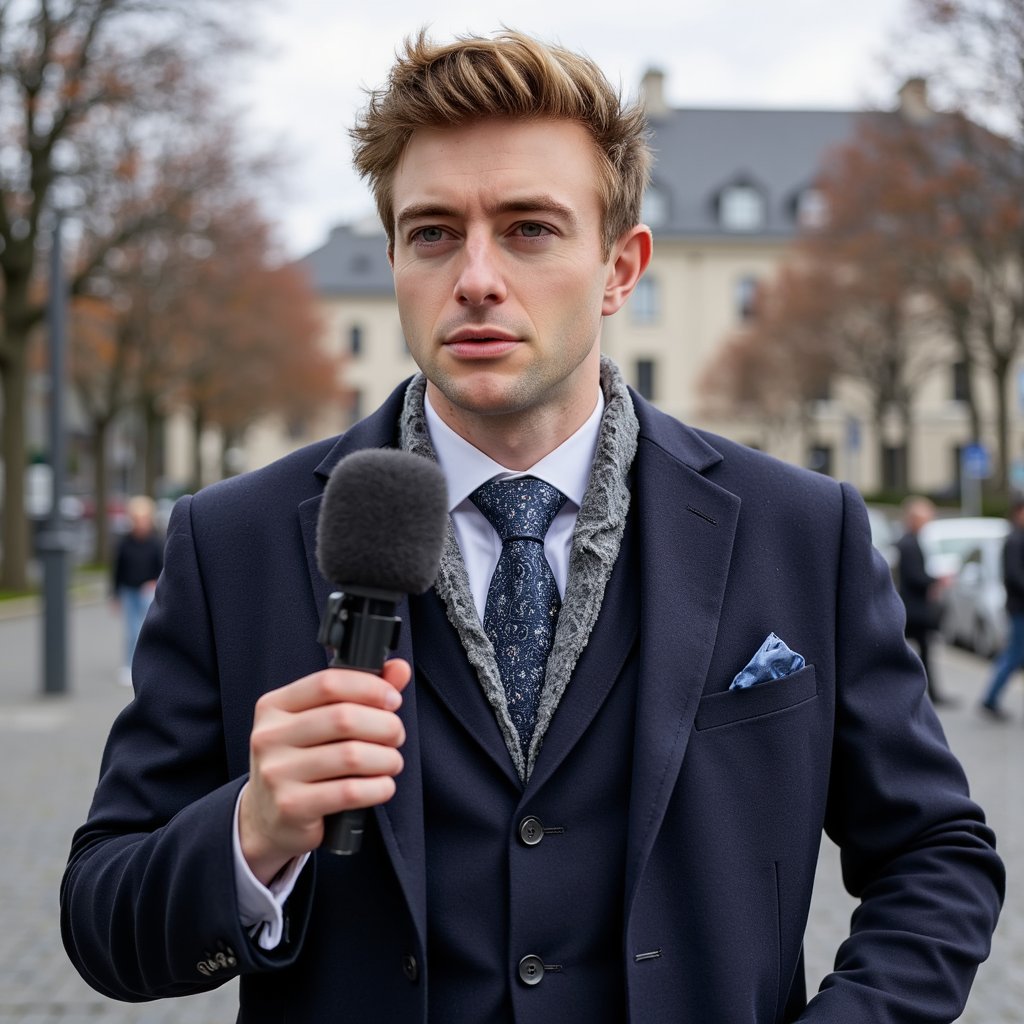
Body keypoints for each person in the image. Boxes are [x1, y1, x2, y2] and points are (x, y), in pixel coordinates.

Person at [62, 30, 1003, 1023]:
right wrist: (249, 833)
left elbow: (936, 856)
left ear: (619, 268)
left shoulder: (801, 531)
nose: (475, 276)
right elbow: (104, 919)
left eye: (528, 229)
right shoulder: (234, 541)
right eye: (432, 232)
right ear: (390, 260)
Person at [895, 495, 952, 705]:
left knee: (922, 650)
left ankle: (930, 695)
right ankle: (925, 695)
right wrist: (937, 580)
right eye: (926, 517)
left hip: (913, 607)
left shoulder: (910, 541)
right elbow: (914, 577)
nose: (929, 522)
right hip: (913, 608)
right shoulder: (909, 544)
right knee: (918, 650)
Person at [110, 494, 164, 687]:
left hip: (146, 592)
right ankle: (129, 665)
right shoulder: (124, 543)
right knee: (131, 630)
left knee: (144, 628)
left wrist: (154, 582)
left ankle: (147, 665)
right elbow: (117, 569)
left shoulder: (156, 542)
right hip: (128, 591)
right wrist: (115, 594)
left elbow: (163, 567)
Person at [979, 496, 1024, 720]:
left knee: (1014, 653)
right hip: (1020, 608)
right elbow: (1015, 576)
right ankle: (990, 699)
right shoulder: (1015, 539)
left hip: (1018, 606)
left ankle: (990, 698)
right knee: (1015, 654)